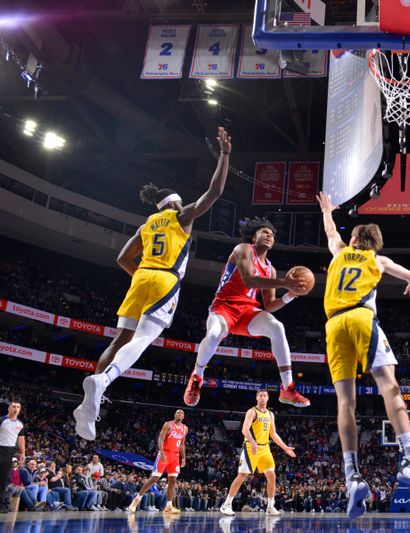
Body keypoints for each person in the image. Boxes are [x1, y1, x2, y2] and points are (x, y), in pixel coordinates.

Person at [73, 127, 232, 441]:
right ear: (175, 204)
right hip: (164, 280)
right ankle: (103, 382)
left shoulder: (147, 223)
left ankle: (90, 399)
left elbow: (122, 257)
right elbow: (213, 194)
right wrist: (225, 155)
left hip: (141, 276)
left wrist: (140, 276)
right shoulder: (180, 217)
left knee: (120, 339)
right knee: (143, 340)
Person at [317, 191, 410, 519]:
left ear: (354, 238)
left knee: (346, 403)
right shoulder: (378, 260)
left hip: (333, 326)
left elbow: (330, 232)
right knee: (389, 387)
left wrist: (327, 210)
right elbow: (409, 275)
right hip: (360, 318)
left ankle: (352, 475)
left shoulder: (339, 252)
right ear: (373, 244)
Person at [183, 217, 310, 408]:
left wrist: (290, 294)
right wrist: (285, 283)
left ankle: (288, 388)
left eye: (272, 234)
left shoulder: (270, 269)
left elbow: (269, 305)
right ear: (253, 237)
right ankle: (197, 377)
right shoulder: (243, 249)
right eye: (265, 232)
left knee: (277, 327)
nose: (269, 235)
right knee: (215, 334)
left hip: (247, 312)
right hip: (224, 307)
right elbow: (249, 280)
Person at [220, 390, 296, 517]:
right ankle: (226, 504)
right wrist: (253, 442)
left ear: (268, 398)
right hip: (251, 447)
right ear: (256, 398)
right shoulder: (252, 412)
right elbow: (245, 429)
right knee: (242, 475)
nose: (262, 397)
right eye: (260, 395)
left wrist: (285, 447)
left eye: (264, 396)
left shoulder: (271, 414)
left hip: (265, 448)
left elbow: (273, 434)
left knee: (272, 475)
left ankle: (270, 507)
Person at [128, 409, 187, 514]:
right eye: (178, 412)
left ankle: (169, 506)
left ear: (183, 417)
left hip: (175, 456)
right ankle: (136, 500)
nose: (179, 414)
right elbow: (160, 439)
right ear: (174, 415)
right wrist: (162, 453)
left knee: (173, 480)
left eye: (181, 413)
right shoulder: (168, 424)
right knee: (154, 478)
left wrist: (183, 458)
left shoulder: (185, 428)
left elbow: (182, 444)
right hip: (165, 453)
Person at [0, 400, 25, 513]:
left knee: (5, 480)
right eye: (13, 406)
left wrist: (23, 453)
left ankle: (3, 506)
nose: (16, 408)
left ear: (20, 410)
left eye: (18, 407)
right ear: (9, 408)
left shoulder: (20, 424)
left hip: (9, 451)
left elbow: (21, 439)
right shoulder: (2, 420)